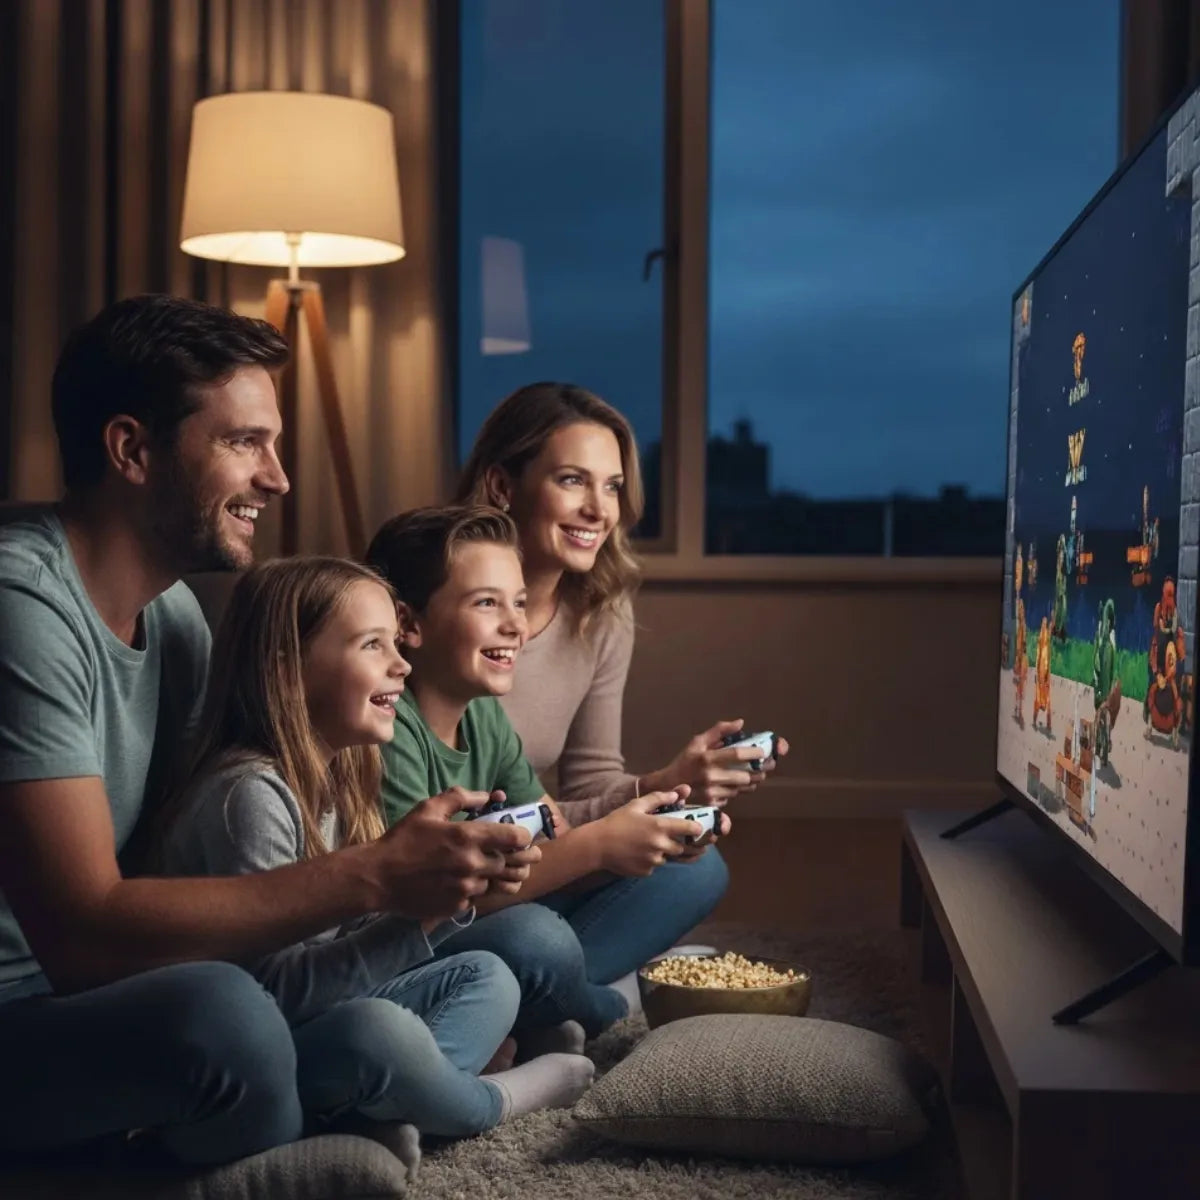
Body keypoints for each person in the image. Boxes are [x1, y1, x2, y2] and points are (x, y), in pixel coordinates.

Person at [0, 294, 532, 1171]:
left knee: (489, 954)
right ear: (132, 449)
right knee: (228, 1014)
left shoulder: (175, 620)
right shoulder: (25, 608)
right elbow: (83, 931)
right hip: (29, 1006)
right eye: (244, 442)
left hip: (119, 990)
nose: (278, 478)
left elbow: (177, 869)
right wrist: (376, 873)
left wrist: (412, 903)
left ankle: (303, 1121)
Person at [155, 556, 594, 1140]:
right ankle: (487, 1102)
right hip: (258, 1049)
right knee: (377, 1031)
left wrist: (442, 895)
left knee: (487, 975)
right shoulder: (249, 796)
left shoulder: (337, 776)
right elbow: (270, 999)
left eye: (396, 642)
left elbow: (342, 944)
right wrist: (415, 917)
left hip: (318, 1014)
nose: (401, 664)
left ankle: (380, 1105)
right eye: (372, 646)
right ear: (289, 667)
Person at [365, 504, 732, 1041]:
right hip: (419, 942)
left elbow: (552, 835)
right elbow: (424, 908)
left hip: (497, 914)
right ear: (409, 624)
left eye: (518, 602)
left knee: (697, 870)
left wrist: (639, 842)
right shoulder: (390, 730)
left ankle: (546, 1006)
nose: (516, 625)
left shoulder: (483, 712)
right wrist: (601, 846)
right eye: (487, 603)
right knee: (535, 938)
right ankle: (609, 1004)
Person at [454, 380, 790, 822]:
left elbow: (588, 783)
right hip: (453, 857)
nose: (600, 510)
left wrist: (670, 788)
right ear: (501, 485)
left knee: (695, 864)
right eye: (572, 480)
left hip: (534, 840)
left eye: (612, 486)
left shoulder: (602, 611)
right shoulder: (436, 604)